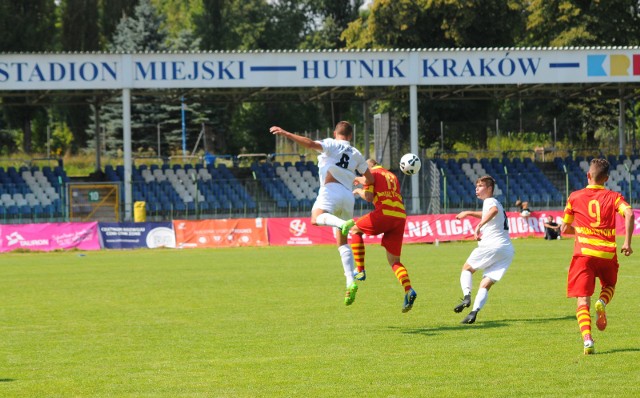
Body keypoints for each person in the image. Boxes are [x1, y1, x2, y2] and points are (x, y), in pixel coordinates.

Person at [269, 122, 374, 306]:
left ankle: (341, 224)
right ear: (350, 136)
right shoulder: (356, 153)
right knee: (342, 243)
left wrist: (286, 133)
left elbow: (309, 144)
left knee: (316, 218)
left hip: (331, 190)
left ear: (336, 133)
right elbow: (370, 178)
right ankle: (350, 281)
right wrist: (358, 180)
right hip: (348, 197)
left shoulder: (331, 144)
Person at [560, 158, 634, 355]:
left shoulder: (574, 197)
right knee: (609, 286)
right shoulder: (614, 197)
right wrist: (627, 242)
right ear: (606, 178)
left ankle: (587, 340)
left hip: (584, 255)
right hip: (607, 254)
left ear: (588, 175)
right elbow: (629, 213)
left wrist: (580, 231)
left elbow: (565, 228)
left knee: (582, 300)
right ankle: (602, 301)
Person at [341, 159, 417, 313]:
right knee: (394, 261)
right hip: (400, 216)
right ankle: (408, 290)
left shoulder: (372, 173)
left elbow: (369, 197)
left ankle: (360, 269)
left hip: (385, 213)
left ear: (369, 166)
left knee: (355, 230)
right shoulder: (392, 176)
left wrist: (358, 190)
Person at [453, 175, 515, 324]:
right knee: (485, 284)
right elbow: (489, 212)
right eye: (476, 186)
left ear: (489, 189)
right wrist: (468, 213)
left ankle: (467, 296)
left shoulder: (490, 201)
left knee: (467, 269)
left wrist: (479, 226)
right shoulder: (495, 203)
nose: (477, 189)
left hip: (492, 245)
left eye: (480, 186)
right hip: (506, 250)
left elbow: (492, 211)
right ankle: (474, 312)